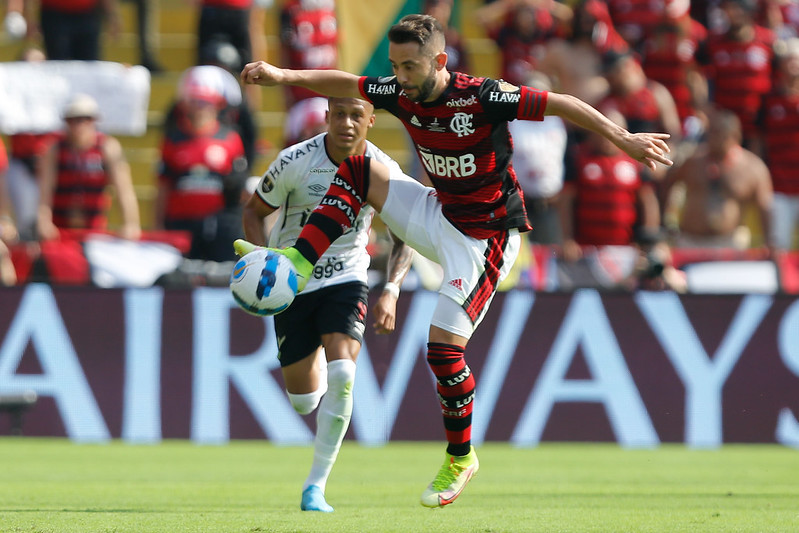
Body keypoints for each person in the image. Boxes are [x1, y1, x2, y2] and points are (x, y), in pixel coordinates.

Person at [240, 13, 671, 507]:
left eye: (410, 66)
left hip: (484, 237)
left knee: (442, 350)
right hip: (437, 212)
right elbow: (346, 81)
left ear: (439, 60)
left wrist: (624, 139)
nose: (399, 77)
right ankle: (296, 261)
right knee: (361, 167)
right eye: (395, 66)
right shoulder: (400, 92)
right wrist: (282, 76)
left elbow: (563, 102)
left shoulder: (483, 95)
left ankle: (461, 456)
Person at [240, 96, 413, 512]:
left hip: (347, 278)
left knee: (344, 373)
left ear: (371, 120)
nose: (348, 124)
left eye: (357, 115)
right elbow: (254, 212)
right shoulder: (295, 160)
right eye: (340, 114)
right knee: (303, 400)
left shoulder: (384, 171)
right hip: (294, 286)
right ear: (327, 118)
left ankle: (315, 487)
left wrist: (391, 288)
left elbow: (404, 234)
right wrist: (266, 269)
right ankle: (314, 353)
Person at [157, 74, 248, 262]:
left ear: (216, 105)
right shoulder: (172, 140)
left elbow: (239, 187)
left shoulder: (230, 139)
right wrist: (158, 225)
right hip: (180, 222)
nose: (200, 108)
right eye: (195, 102)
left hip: (218, 224)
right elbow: (163, 186)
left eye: (205, 102)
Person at [662, 107, 774, 252]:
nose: (712, 139)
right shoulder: (693, 160)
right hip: (690, 241)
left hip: (729, 243)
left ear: (734, 136)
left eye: (719, 134)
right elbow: (667, 185)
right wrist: (665, 222)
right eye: (710, 133)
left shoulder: (752, 168)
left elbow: (764, 207)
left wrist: (768, 242)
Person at [37, 94, 141, 241]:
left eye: (84, 119)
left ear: (93, 121)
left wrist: (130, 224)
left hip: (95, 229)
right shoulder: (55, 149)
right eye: (72, 120)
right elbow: (45, 190)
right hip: (60, 230)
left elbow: (124, 191)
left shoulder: (107, 147)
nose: (78, 125)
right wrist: (44, 222)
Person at [759, 37, 799, 251]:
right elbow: (758, 140)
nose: (793, 65)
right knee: (777, 248)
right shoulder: (768, 100)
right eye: (789, 60)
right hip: (779, 187)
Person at [33, 0, 121, 61]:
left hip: (87, 14)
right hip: (54, 14)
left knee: (90, 65)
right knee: (58, 64)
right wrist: (29, 18)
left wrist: (112, 16)